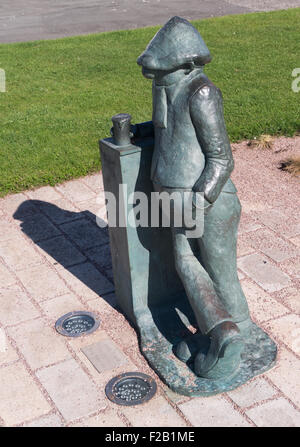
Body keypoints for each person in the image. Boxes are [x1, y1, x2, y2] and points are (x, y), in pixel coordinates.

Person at [135, 16, 250, 379]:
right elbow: (166, 131)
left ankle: (237, 335)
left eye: (163, 72)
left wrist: (199, 202)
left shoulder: (201, 91)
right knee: (187, 264)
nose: (156, 79)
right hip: (173, 196)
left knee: (219, 270)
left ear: (186, 65)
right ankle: (214, 333)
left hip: (205, 200)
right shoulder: (165, 89)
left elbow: (221, 158)